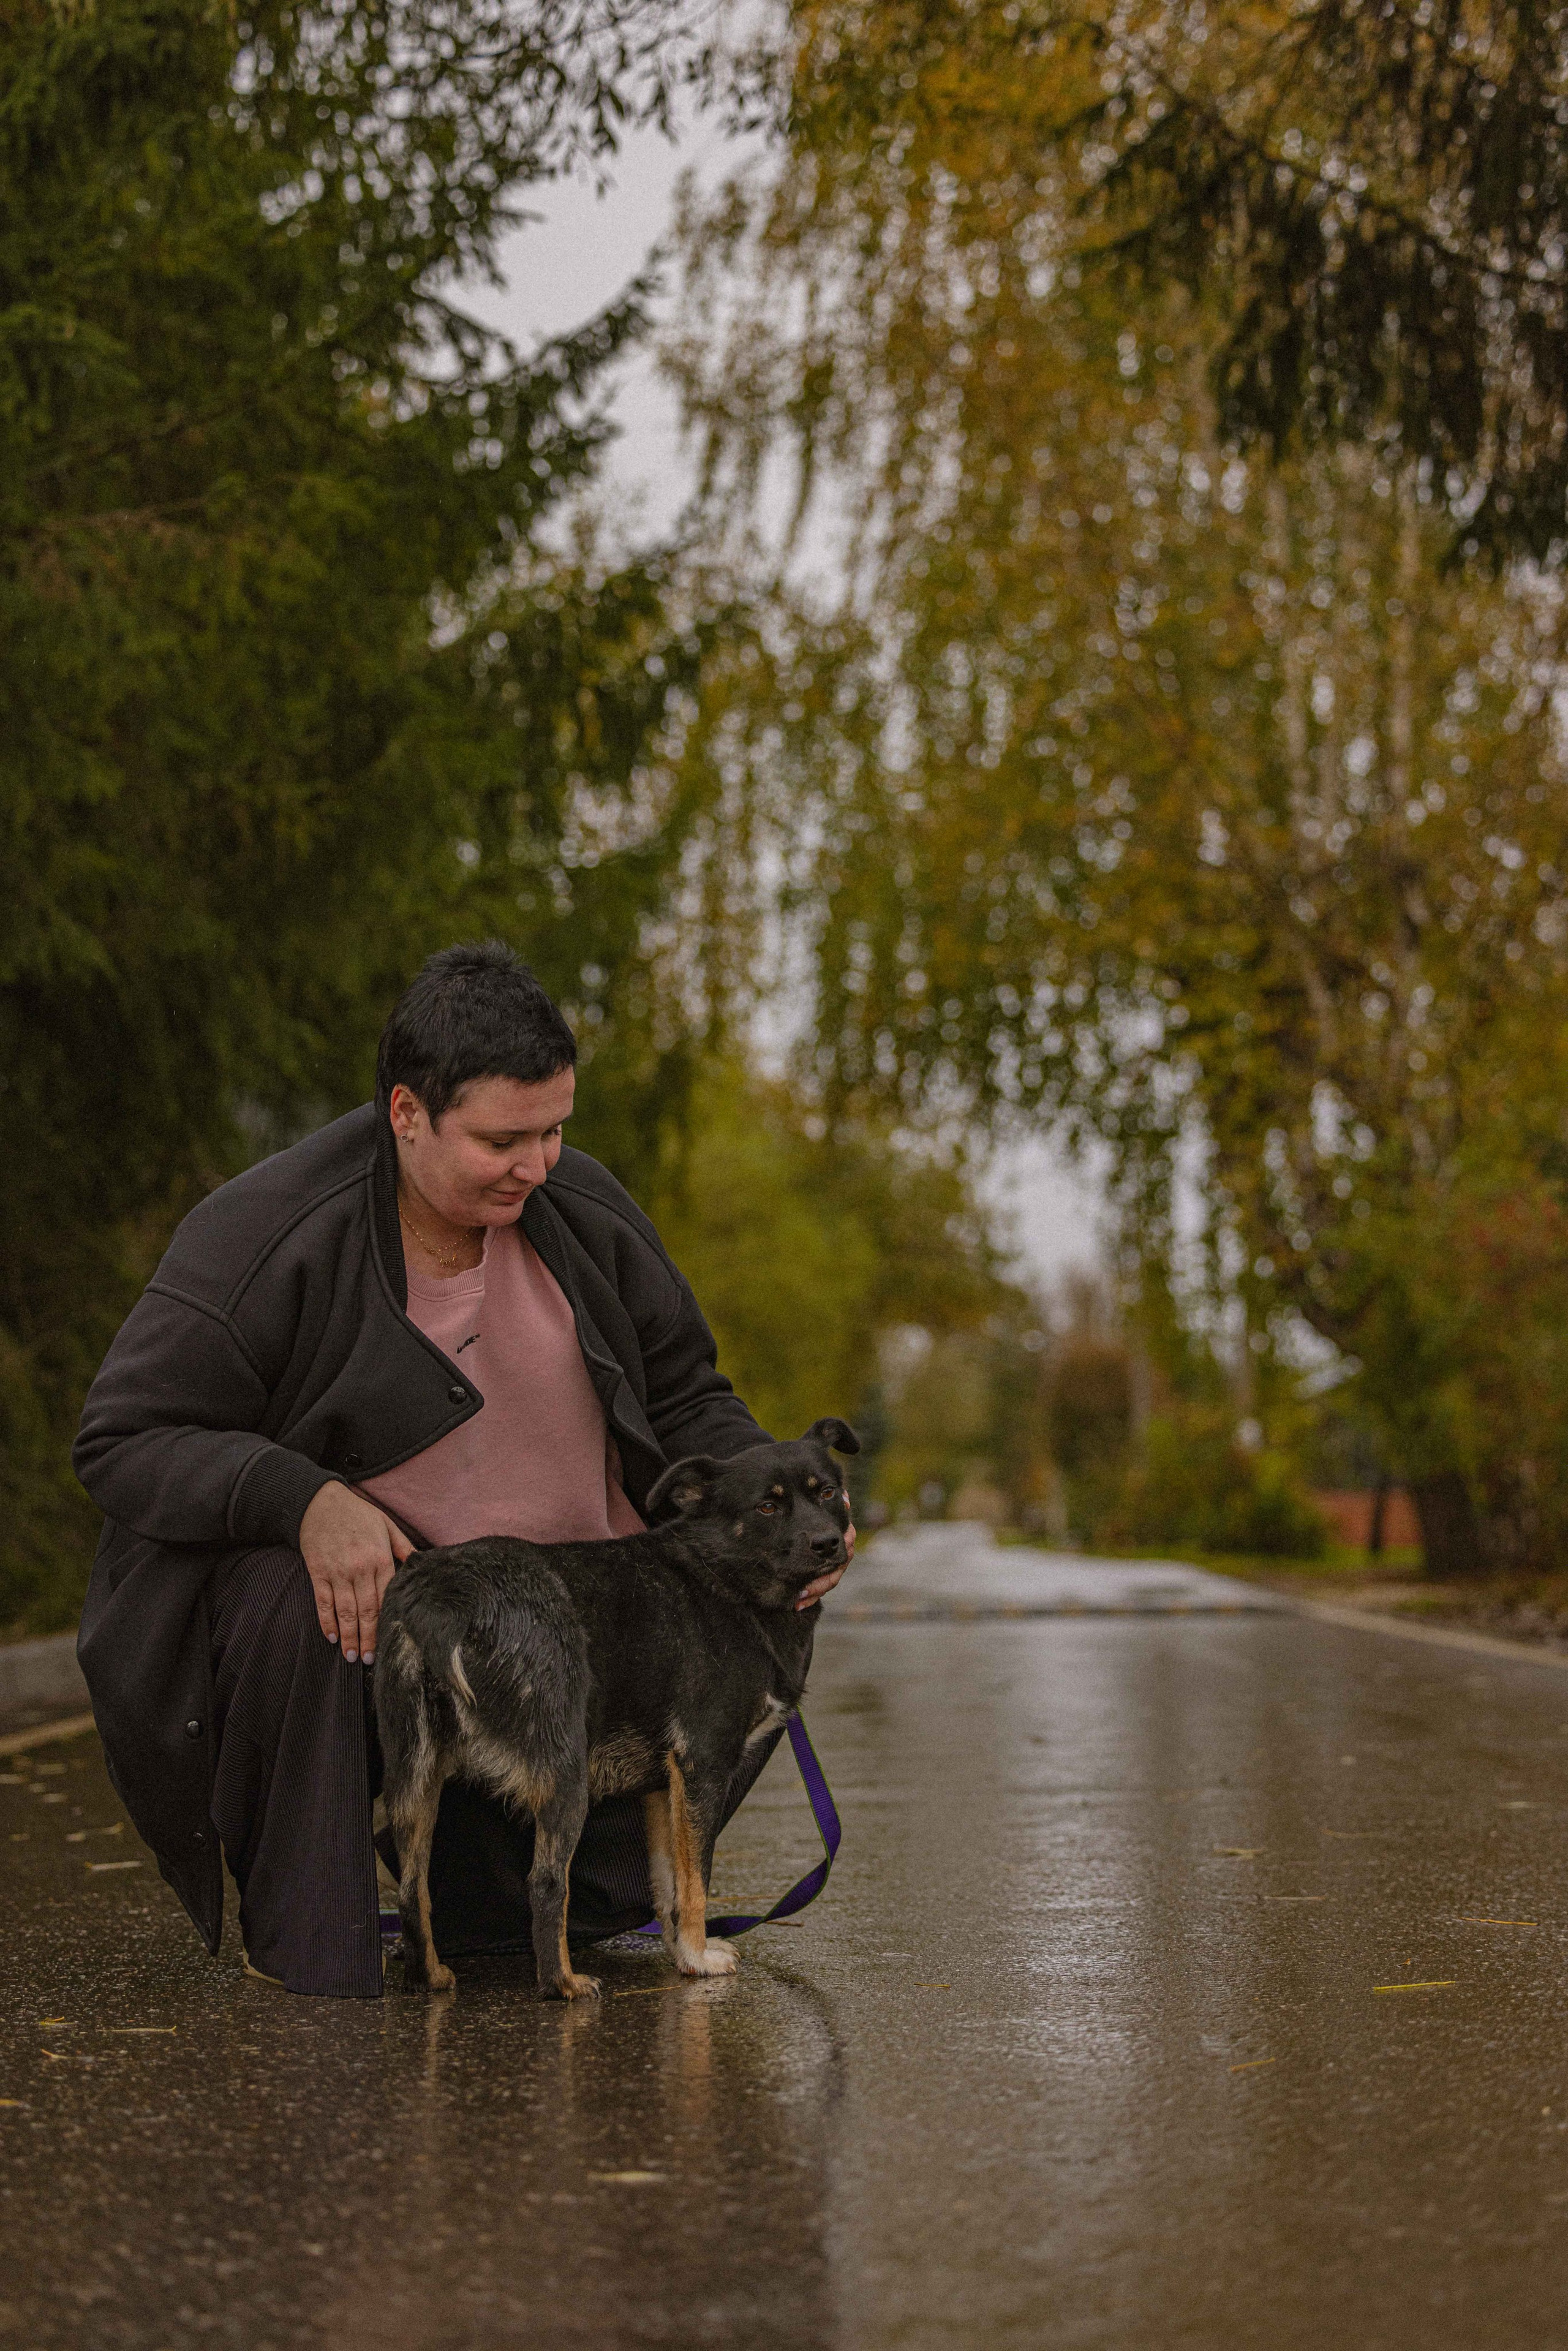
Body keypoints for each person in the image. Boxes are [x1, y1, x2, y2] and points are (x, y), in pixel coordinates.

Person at [73, 943, 850, 1997]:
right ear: (405, 1112)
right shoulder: (260, 1235)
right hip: (390, 1627)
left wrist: (784, 1510)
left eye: (555, 1129)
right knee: (309, 1602)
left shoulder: (581, 1205)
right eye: (501, 1139)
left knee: (521, 1926)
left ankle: (531, 1900)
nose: (539, 1164)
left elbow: (689, 1397)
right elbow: (122, 1435)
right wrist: (303, 1497)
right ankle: (314, 1953)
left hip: (580, 1633)